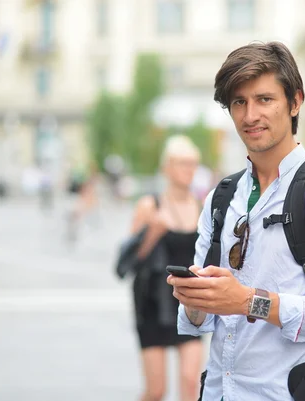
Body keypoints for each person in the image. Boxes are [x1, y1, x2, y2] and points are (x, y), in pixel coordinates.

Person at [166, 42, 305, 400]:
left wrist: (248, 301)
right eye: (239, 102)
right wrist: (196, 299)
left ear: (295, 102)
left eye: (264, 99)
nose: (249, 116)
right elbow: (202, 320)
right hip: (220, 391)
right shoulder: (222, 196)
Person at [130, 135, 204, 401]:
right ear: (167, 167)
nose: (189, 169)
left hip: (189, 302)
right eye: (182, 163)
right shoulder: (149, 205)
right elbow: (130, 261)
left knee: (189, 383)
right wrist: (152, 232)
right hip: (152, 303)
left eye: (193, 163)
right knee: (156, 391)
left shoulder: (201, 206)